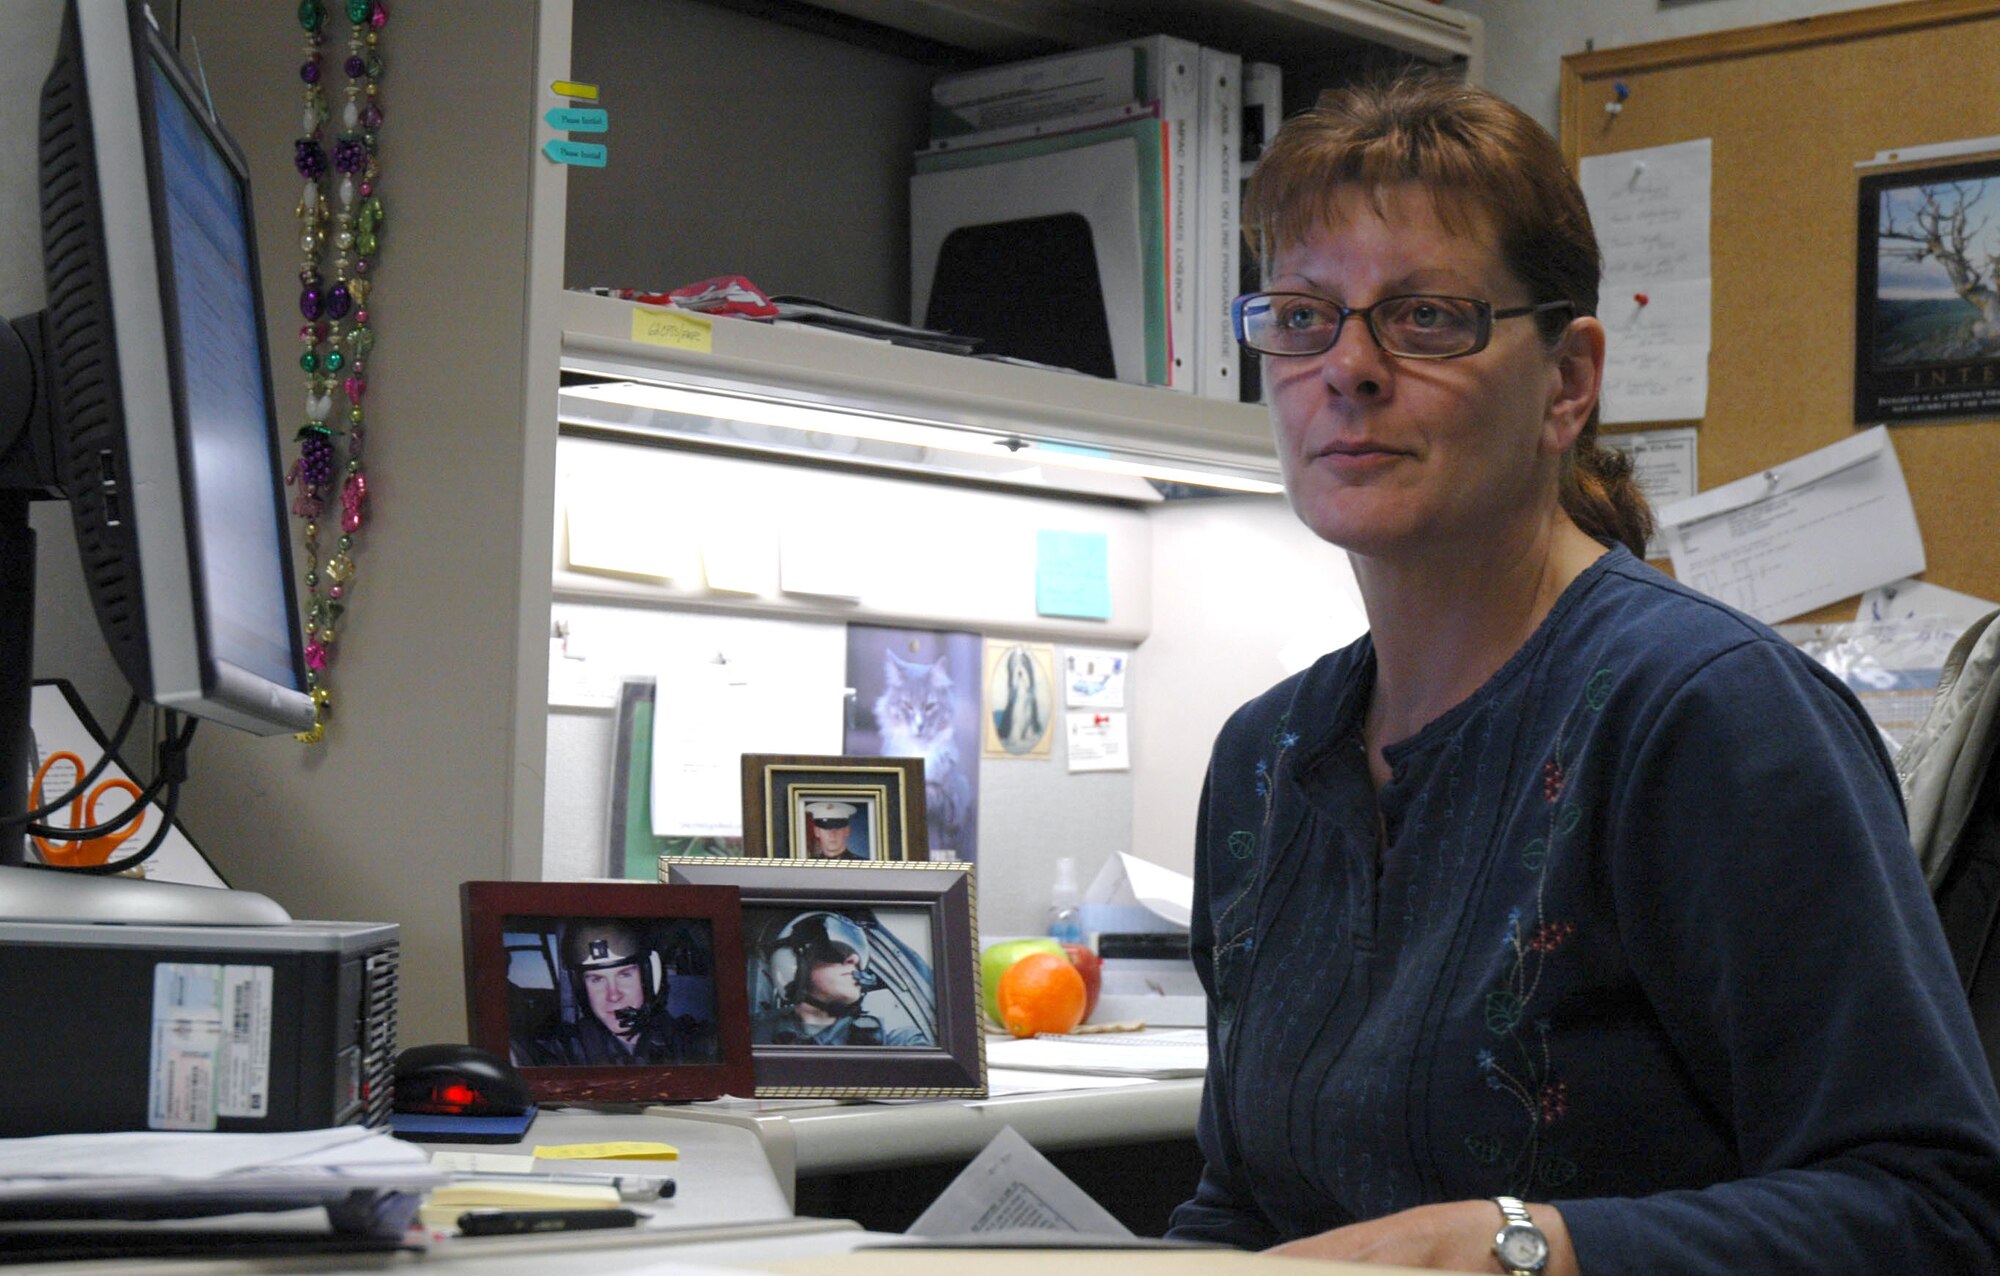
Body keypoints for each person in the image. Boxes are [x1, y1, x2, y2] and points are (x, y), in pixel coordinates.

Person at [1163, 75, 2000, 1275]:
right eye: (1301, 317)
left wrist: (1519, 1247)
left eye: (1425, 317)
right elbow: (1243, 1206)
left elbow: (1934, 1210)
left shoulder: (1709, 715)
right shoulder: (1263, 760)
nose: (1344, 368)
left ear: (1566, 382)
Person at [524, 918, 713, 1066]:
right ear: (582, 989)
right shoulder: (566, 1050)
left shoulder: (689, 1042)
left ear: (649, 978)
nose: (613, 995)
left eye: (625, 975)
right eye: (597, 979)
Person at [751, 911, 932, 1046]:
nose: (854, 959)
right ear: (793, 964)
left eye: (855, 952)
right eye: (833, 950)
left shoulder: (889, 1041)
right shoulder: (752, 1033)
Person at [993, 644, 1048, 753]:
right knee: (1016, 722)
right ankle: (1015, 734)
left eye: (1023, 665)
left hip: (1027, 697)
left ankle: (1029, 731)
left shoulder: (1031, 700)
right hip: (1016, 705)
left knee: (1030, 721)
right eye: (1016, 667)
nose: (1020, 670)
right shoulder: (1014, 699)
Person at [803, 800, 869, 860]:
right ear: (816, 832)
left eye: (838, 828)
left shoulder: (865, 864)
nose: (832, 834)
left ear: (847, 831)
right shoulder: (806, 865)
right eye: (826, 828)